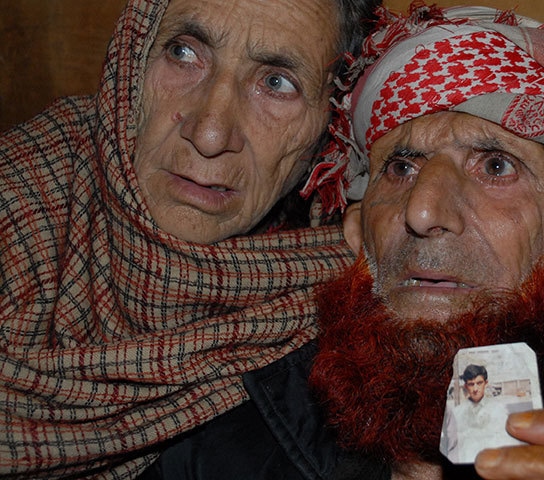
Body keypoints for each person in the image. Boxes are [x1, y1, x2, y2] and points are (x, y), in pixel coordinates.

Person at [142, 4, 544, 479]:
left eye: (496, 166)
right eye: (400, 168)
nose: (422, 211)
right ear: (355, 237)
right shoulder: (217, 437)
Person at [0, 0, 379, 477]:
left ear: (331, 127)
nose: (210, 132)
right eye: (183, 52)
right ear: (131, 59)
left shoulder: (359, 320)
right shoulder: (21, 202)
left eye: (276, 83)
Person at [441, 365, 513, 463]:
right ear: (466, 386)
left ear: (486, 383)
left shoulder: (498, 410)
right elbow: (452, 446)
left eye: (479, 383)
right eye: (471, 384)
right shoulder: (457, 413)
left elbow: (505, 442)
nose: (475, 389)